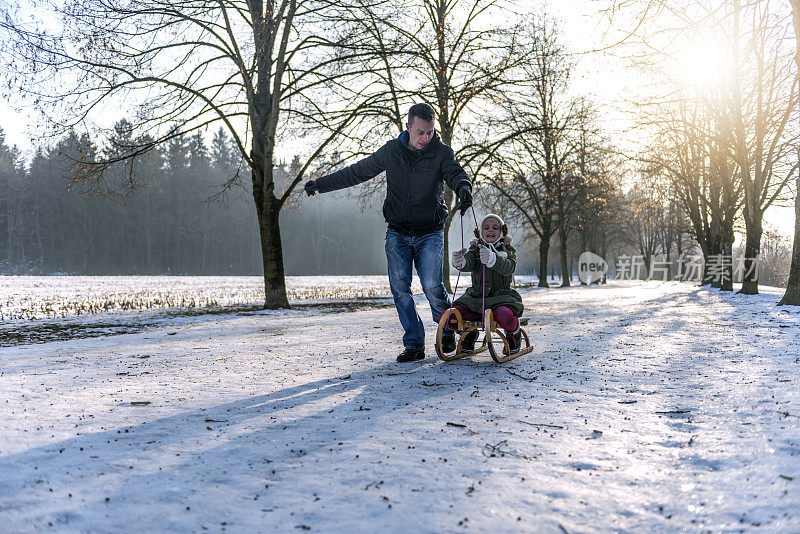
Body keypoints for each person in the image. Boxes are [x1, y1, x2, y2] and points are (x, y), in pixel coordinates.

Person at [304, 103, 473, 362]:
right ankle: (415, 344)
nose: (425, 138)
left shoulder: (440, 152)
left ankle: (447, 328)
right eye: (420, 133)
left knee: (431, 285)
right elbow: (356, 172)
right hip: (398, 233)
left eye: (429, 132)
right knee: (400, 289)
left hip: (430, 232)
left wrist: (463, 187)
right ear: (407, 127)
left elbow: (454, 172)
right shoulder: (391, 152)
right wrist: (322, 185)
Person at [444, 213, 524, 354]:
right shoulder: (475, 249)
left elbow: (509, 267)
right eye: (486, 228)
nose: (490, 230)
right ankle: (469, 335)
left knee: (505, 316)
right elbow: (469, 262)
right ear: (480, 232)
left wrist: (494, 260)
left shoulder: (507, 250)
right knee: (450, 317)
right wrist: (460, 262)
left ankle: (514, 335)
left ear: (502, 231)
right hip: (476, 299)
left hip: (501, 299)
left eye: (495, 227)